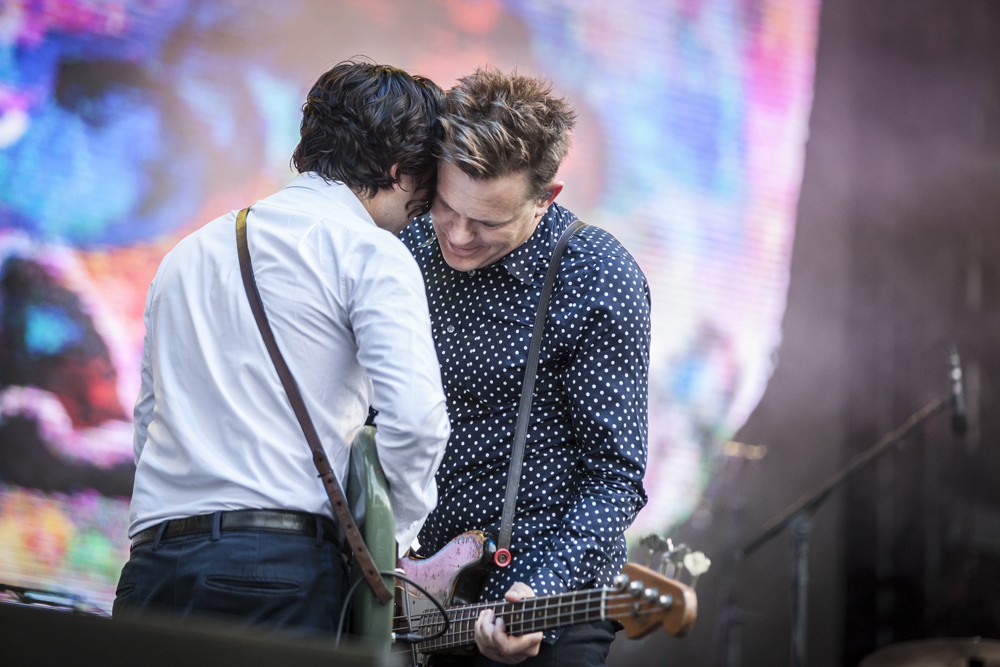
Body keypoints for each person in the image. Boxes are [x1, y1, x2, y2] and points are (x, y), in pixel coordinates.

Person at [113, 61, 451, 633]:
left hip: (155, 569)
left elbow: (150, 420)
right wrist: (390, 543)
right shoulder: (370, 253)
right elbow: (416, 424)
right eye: (421, 199)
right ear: (400, 173)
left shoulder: (187, 253)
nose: (415, 219)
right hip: (278, 573)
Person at [399, 69, 651, 665]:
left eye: (488, 222)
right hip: (406, 591)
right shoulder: (409, 242)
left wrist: (540, 587)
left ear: (547, 198)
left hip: (543, 593)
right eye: (445, 205)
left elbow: (615, 475)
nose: (458, 235)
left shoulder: (595, 276)